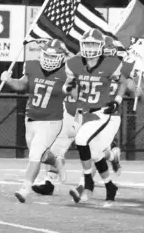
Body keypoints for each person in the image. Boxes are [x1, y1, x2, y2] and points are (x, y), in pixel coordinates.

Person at [30, 36, 131, 196]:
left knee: (93, 150)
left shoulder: (116, 69)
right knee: (56, 146)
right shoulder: (77, 63)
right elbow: (64, 78)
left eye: (109, 54)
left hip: (101, 114)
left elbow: (128, 85)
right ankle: (49, 181)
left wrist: (121, 95)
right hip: (73, 111)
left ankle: (87, 182)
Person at [64, 29, 131, 206]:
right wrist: (69, 87)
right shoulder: (75, 64)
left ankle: (86, 184)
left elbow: (124, 83)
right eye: (88, 45)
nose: (91, 49)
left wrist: (117, 100)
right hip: (87, 111)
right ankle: (109, 185)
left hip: (107, 112)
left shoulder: (113, 64)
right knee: (95, 152)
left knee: (82, 140)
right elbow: (72, 91)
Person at [0, 39, 69, 203]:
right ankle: (57, 162)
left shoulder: (65, 74)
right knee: (43, 155)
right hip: (31, 118)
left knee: (35, 153)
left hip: (51, 121)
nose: (49, 60)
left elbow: (72, 92)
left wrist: (72, 91)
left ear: (61, 58)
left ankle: (25, 189)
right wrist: (9, 80)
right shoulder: (31, 66)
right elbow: (21, 85)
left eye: (54, 57)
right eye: (47, 56)